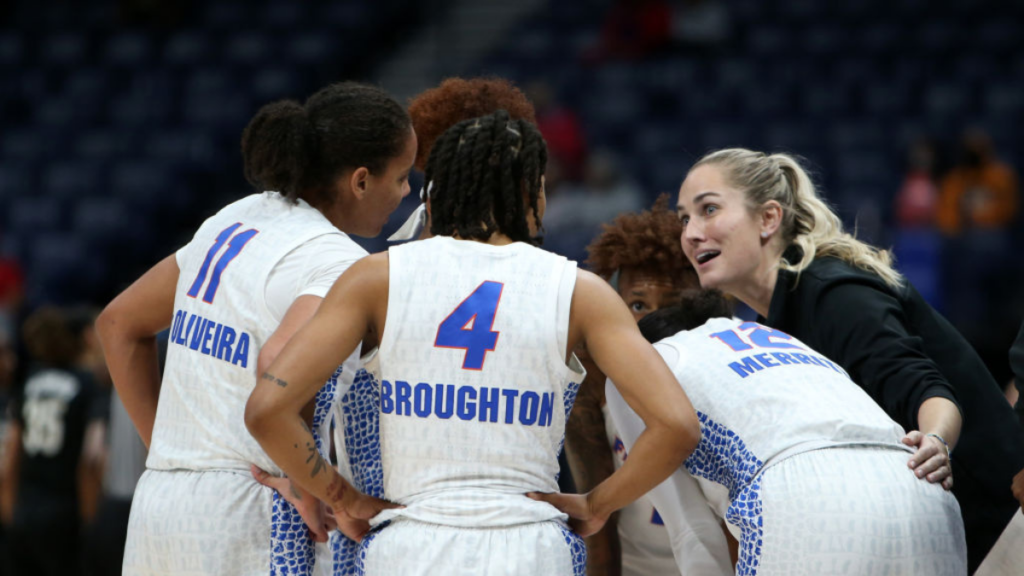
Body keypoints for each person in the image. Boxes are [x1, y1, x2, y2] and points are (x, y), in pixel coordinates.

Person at [245, 110, 701, 576]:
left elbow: (267, 411)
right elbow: (677, 426)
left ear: (436, 193)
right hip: (529, 549)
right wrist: (596, 503)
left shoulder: (374, 277)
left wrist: (341, 498)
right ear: (534, 193)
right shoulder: (581, 292)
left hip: (409, 546)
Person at [96, 81, 417, 576]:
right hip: (249, 510)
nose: (406, 192)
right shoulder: (336, 261)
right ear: (360, 181)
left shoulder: (236, 217)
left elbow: (118, 324)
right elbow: (276, 363)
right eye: (400, 178)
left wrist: (168, 448)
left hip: (160, 503)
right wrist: (322, 487)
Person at [675, 147, 1024, 573]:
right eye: (684, 219)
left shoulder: (834, 292)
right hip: (930, 537)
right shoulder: (776, 319)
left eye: (708, 209)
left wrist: (935, 439)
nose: (691, 233)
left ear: (768, 218)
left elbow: (929, 391)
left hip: (1002, 526)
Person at [603, 289, 966, 575]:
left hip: (804, 495)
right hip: (921, 490)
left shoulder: (639, 365)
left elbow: (692, 530)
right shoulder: (771, 335)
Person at [564, 195, 699, 576]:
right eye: (638, 305)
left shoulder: (720, 376)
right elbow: (598, 527)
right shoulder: (592, 387)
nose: (654, 320)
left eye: (670, 305)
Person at [1, 307, 99, 576]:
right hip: (64, 510)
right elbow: (90, 459)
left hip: (25, 506)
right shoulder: (85, 384)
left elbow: (13, 450)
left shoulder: (28, 383)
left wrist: (9, 507)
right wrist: (90, 520)